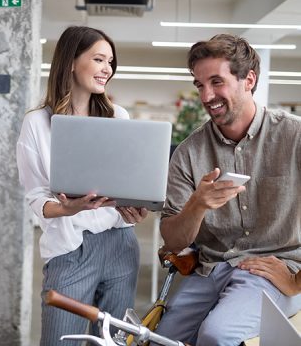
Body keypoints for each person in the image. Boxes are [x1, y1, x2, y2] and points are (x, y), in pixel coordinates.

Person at [155, 34, 301, 345]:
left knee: (216, 335)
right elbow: (172, 239)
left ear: (248, 80)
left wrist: (296, 281)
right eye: (199, 85)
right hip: (211, 269)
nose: (207, 95)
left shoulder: (294, 137)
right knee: (160, 340)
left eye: (216, 82)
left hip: (276, 269)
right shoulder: (188, 153)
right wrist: (197, 206)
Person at [16, 26, 148, 345]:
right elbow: (36, 199)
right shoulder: (37, 123)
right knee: (62, 340)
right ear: (71, 62)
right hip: (70, 247)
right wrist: (67, 208)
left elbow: (125, 184)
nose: (107, 69)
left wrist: (134, 209)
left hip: (120, 245)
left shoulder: (118, 116)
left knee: (115, 341)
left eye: (111, 62)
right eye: (99, 59)